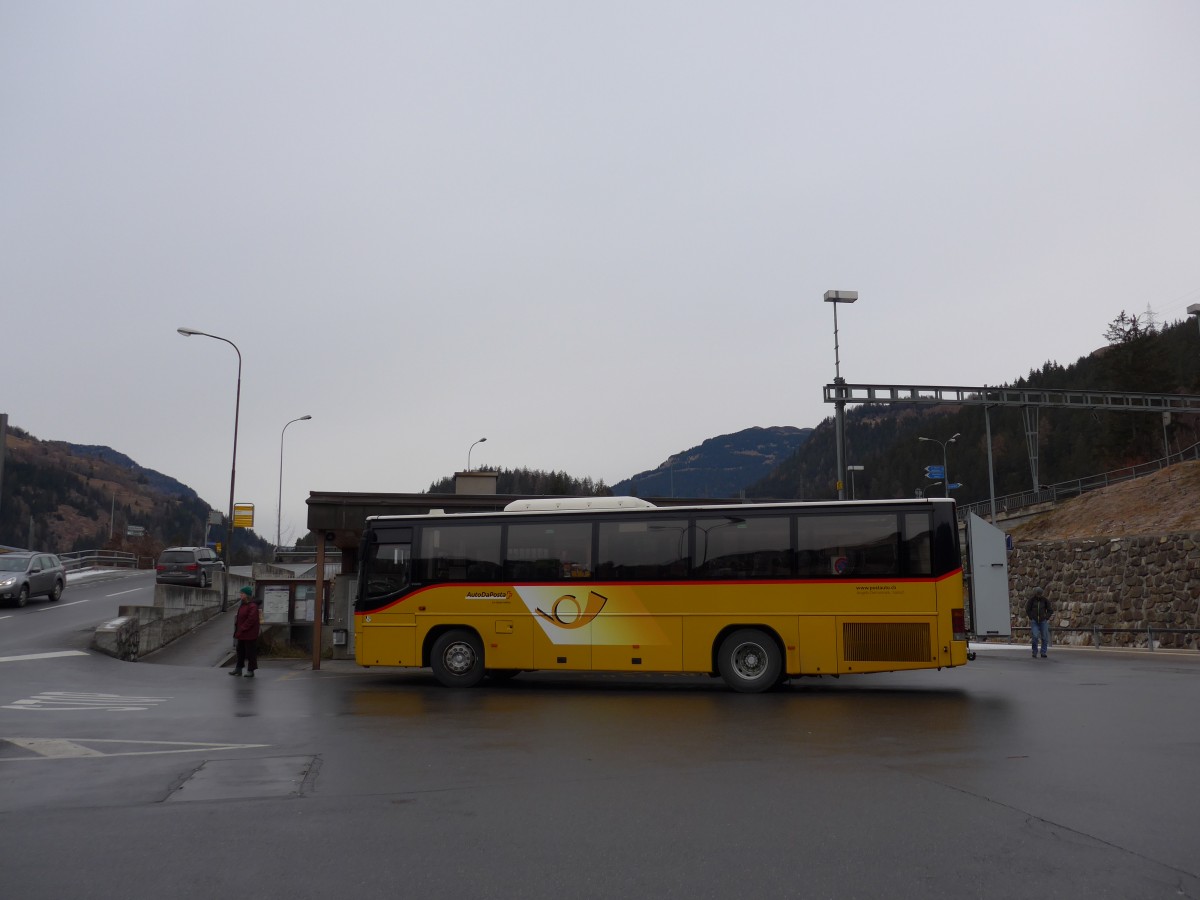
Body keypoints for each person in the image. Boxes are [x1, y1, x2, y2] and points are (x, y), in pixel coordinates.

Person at [230, 585, 261, 678]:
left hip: (250, 634)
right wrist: (238, 630)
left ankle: (251, 670)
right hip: (242, 633)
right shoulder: (243, 604)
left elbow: (251, 620)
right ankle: (238, 669)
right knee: (240, 651)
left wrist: (242, 628)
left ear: (247, 595)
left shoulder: (252, 606)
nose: (240, 595)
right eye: (241, 593)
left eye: (242, 593)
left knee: (250, 652)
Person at [1025, 586, 1052, 658]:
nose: (1039, 595)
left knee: (1044, 637)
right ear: (1035, 593)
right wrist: (1031, 617)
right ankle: (1034, 651)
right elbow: (1028, 609)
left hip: (1043, 621)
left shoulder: (1045, 600)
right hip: (1035, 621)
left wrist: (1046, 617)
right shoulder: (1031, 600)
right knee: (1035, 636)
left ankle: (1043, 652)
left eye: (1040, 594)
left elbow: (1050, 610)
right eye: (1038, 594)